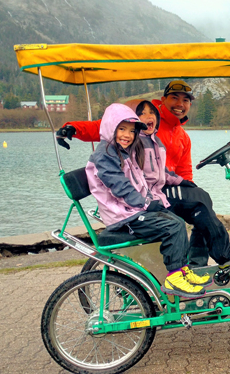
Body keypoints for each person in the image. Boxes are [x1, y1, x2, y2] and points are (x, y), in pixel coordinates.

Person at [85, 103, 210, 298]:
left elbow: (142, 179)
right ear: (111, 127)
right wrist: (145, 203)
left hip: (132, 210)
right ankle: (174, 277)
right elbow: (120, 188)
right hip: (123, 217)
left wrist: (155, 197)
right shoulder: (105, 155)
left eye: (132, 131)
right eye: (122, 129)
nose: (127, 135)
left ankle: (183, 270)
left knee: (176, 219)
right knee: (173, 227)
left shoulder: (123, 151)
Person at [126, 98, 230, 267]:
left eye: (151, 112)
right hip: (150, 197)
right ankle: (221, 253)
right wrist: (76, 129)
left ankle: (198, 262)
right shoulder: (134, 142)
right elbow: (106, 129)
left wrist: (184, 182)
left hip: (160, 189)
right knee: (200, 200)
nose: (148, 116)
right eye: (142, 113)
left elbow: (165, 171)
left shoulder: (157, 141)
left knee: (201, 201)